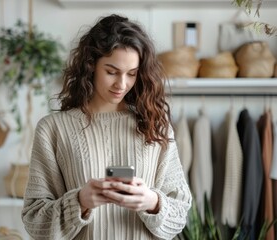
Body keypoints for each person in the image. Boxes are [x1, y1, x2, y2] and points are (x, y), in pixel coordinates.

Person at [21, 14, 192, 240]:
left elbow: (180, 216)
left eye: (131, 74)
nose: (122, 84)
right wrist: (80, 201)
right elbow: (35, 221)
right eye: (111, 72)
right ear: (91, 65)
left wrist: (151, 202)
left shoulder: (154, 125)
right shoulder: (53, 129)